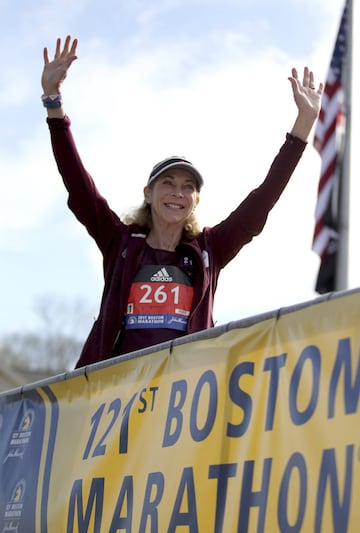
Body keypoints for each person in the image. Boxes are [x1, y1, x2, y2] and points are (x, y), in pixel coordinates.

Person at [41, 35, 323, 369]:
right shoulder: (121, 243)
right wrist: (53, 103)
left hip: (183, 401)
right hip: (116, 396)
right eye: (168, 183)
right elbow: (78, 185)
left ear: (195, 200)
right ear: (148, 193)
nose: (178, 192)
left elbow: (262, 200)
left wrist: (303, 126)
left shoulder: (210, 249)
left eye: (188, 187)